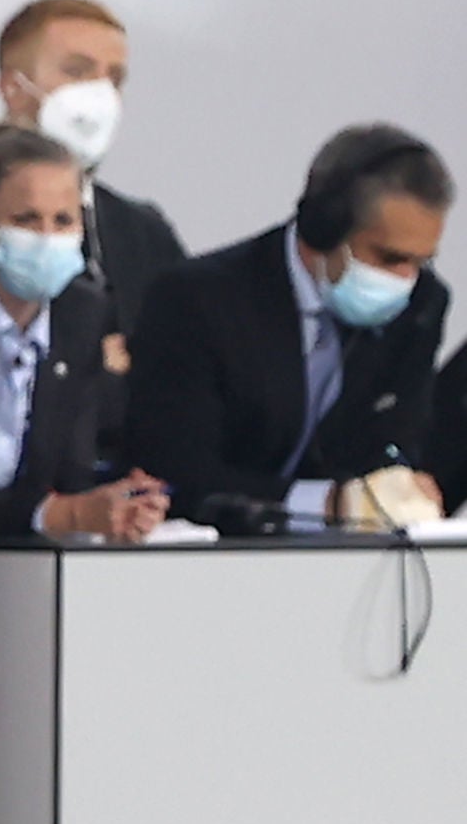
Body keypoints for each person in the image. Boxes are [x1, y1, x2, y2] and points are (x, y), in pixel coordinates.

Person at [128, 124, 451, 532]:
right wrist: (329, 502)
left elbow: (395, 438)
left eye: (420, 261)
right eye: (389, 258)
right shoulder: (197, 299)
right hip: (202, 555)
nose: (406, 279)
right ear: (322, 227)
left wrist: (400, 487)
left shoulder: (423, 304)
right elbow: (175, 472)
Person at [0, 125, 168, 544]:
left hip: (27, 568)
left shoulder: (82, 313)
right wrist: (61, 513)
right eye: (27, 219)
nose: (47, 237)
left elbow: (72, 473)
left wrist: (122, 503)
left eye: (63, 220)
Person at [0, 0, 186, 341]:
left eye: (114, 78)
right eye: (77, 71)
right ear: (13, 88)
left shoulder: (144, 232)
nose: (100, 94)